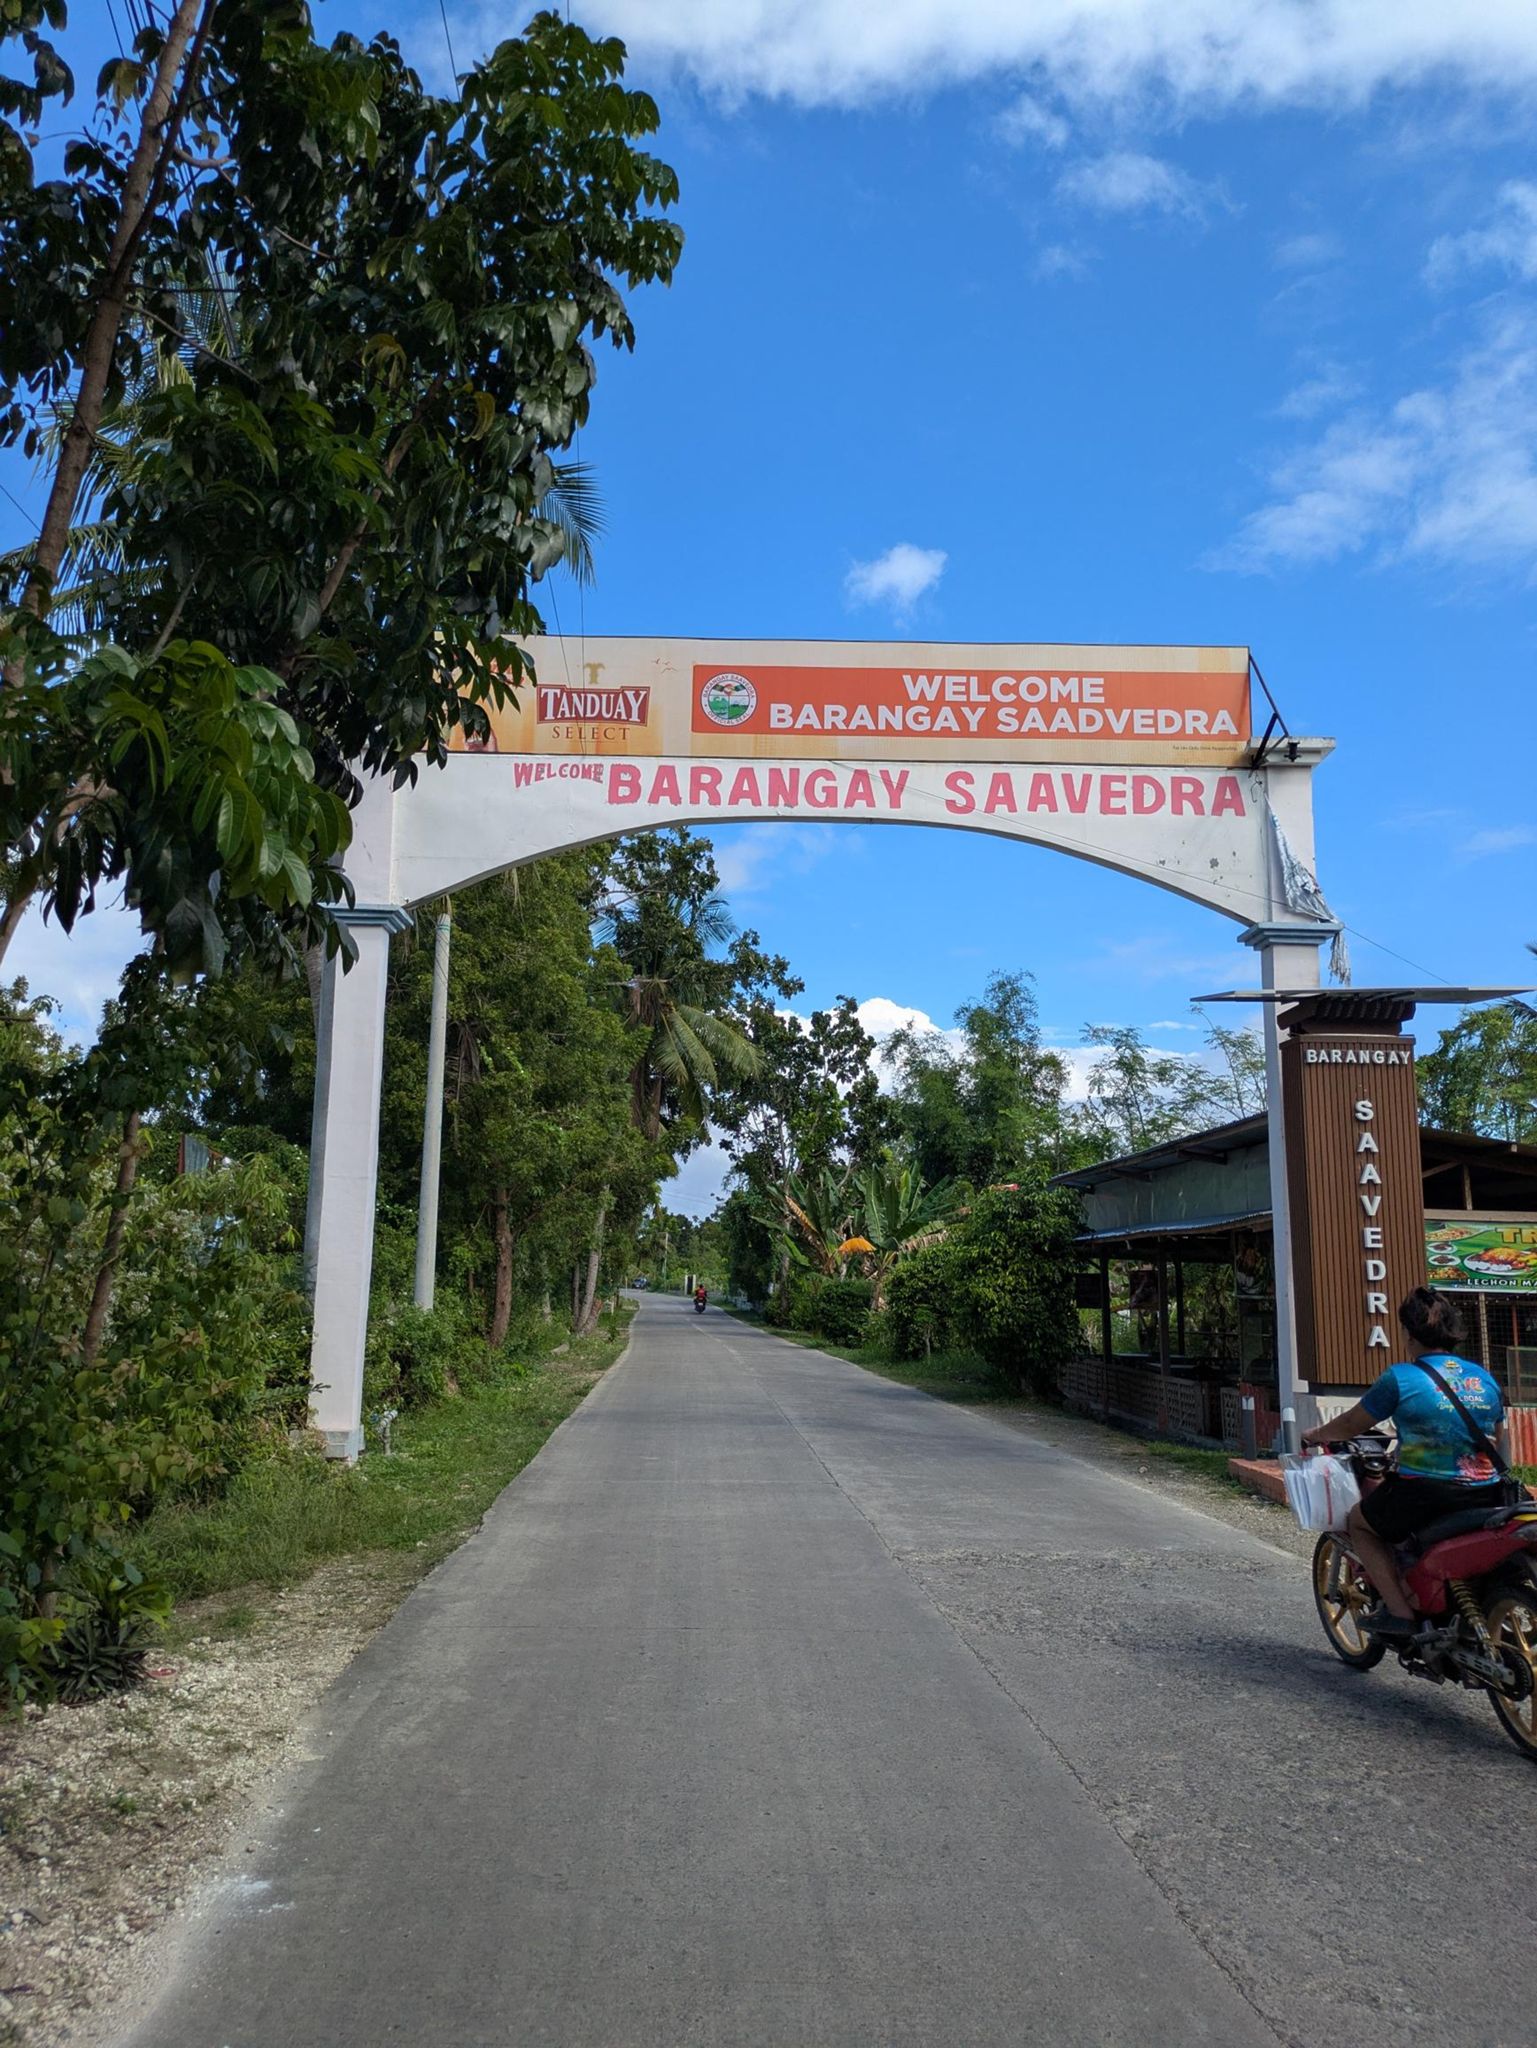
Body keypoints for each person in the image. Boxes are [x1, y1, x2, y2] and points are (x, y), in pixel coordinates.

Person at [1301, 1287, 1506, 1640]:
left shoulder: (1400, 1378)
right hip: (1486, 1491)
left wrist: (1316, 1434)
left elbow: (1350, 1425)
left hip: (1425, 1493)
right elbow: (1501, 1441)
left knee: (1360, 1522)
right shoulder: (1484, 1378)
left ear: (1409, 1334)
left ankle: (1400, 1614)